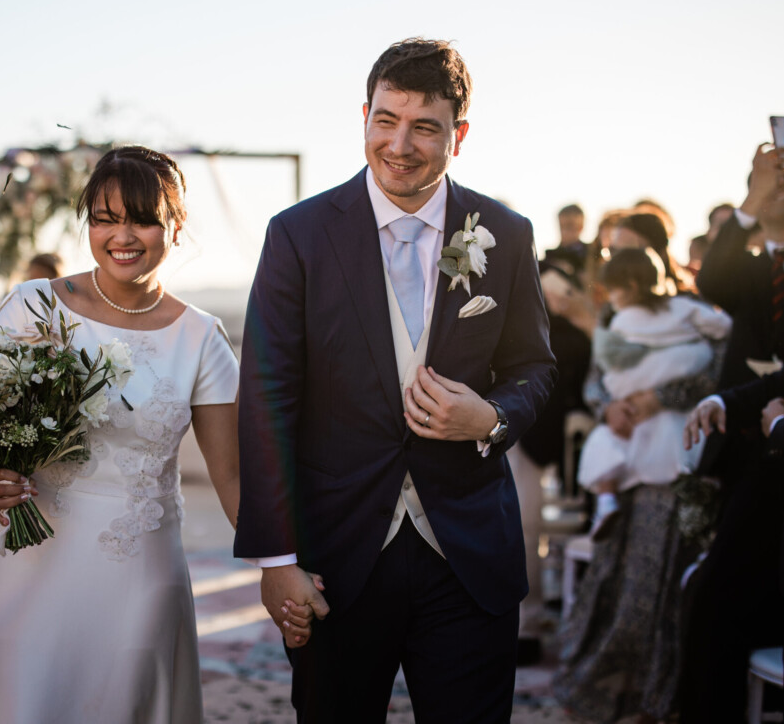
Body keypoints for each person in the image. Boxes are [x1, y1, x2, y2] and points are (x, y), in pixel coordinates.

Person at [233, 38, 556, 722]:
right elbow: (267, 397)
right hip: (338, 557)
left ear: (458, 135)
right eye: (386, 120)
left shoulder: (505, 232)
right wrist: (276, 558)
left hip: (467, 556)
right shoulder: (298, 234)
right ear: (365, 116)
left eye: (425, 127)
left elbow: (534, 366)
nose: (400, 144)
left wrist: (492, 419)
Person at [0, 145, 243, 723]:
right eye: (105, 219)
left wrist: (286, 561)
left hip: (138, 571)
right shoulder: (31, 307)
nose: (122, 236)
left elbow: (235, 476)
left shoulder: (202, 338)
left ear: (175, 225)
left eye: (141, 218)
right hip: (29, 559)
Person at [678, 144, 784, 724]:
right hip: (748, 449)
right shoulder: (747, 270)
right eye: (769, 184)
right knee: (721, 592)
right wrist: (749, 196)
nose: (781, 189)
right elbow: (711, 281)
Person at [577, 249, 731, 538]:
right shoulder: (684, 307)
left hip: (633, 406)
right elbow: (721, 326)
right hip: (675, 415)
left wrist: (617, 395)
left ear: (631, 287)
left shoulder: (623, 319)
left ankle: (605, 500)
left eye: (613, 291)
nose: (611, 298)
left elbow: (610, 365)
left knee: (604, 442)